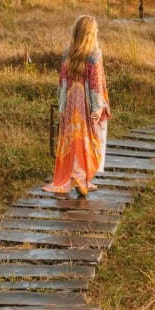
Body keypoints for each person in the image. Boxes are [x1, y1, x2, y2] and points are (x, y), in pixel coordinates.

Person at [43, 14, 111, 196]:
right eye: (95, 30)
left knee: (72, 138)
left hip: (72, 100)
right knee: (89, 137)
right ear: (90, 33)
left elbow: (62, 82)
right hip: (86, 102)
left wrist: (62, 106)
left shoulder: (68, 52)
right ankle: (83, 177)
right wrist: (98, 107)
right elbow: (96, 83)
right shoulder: (94, 54)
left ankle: (76, 177)